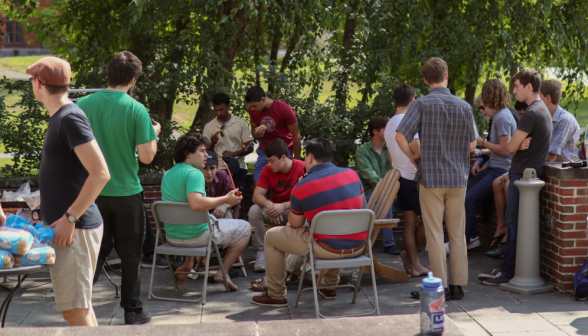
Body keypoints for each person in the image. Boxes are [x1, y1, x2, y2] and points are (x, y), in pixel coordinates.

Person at [78, 51, 160, 325]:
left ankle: (78, 305)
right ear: (133, 79)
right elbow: (147, 157)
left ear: (110, 74)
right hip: (126, 193)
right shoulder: (136, 109)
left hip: (91, 193)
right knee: (130, 255)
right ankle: (132, 311)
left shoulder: (83, 104)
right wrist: (154, 134)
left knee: (93, 254)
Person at [26, 56, 110, 326]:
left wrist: (70, 218)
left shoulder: (69, 118)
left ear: (39, 83)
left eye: (31, 80)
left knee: (74, 310)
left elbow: (101, 173)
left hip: (76, 229)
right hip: (70, 228)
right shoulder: (63, 116)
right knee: (80, 308)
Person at [396, 57, 478, 300]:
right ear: (447, 75)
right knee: (457, 234)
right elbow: (472, 144)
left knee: (434, 233)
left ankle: (438, 287)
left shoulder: (421, 104)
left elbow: (401, 136)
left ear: (425, 79)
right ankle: (458, 285)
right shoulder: (464, 106)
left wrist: (413, 156)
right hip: (458, 178)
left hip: (431, 178)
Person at [251, 138, 365, 306]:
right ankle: (328, 285)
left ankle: (276, 294)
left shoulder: (302, 185)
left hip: (326, 248)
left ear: (310, 157)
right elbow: (363, 209)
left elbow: (295, 225)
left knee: (271, 238)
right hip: (359, 246)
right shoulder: (353, 175)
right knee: (336, 229)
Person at [480, 69, 552, 286]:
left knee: (513, 224)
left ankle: (507, 272)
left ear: (529, 86)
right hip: (528, 174)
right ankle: (509, 270)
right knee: (516, 225)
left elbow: (509, 147)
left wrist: (516, 144)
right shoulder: (544, 110)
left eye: (517, 85)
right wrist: (518, 144)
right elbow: (514, 145)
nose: (514, 90)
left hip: (522, 175)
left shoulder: (531, 113)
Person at [161, 133, 250, 290]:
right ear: (188, 154)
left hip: (173, 237)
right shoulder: (194, 173)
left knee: (199, 221)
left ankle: (188, 263)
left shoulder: (168, 174)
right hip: (196, 237)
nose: (206, 154)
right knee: (245, 228)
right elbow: (196, 204)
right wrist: (225, 200)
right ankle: (223, 272)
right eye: (202, 150)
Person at [447, 80, 517, 254]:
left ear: (489, 96)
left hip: (501, 170)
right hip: (493, 167)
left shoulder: (501, 118)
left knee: (469, 198)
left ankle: (469, 239)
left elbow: (505, 150)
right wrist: (480, 158)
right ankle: (463, 237)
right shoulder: (500, 116)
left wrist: (481, 142)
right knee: (462, 191)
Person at [384, 83, 429, 277]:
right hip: (414, 179)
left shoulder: (389, 124)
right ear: (413, 101)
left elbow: (391, 158)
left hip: (400, 178)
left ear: (395, 101)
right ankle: (412, 260)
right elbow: (417, 150)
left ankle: (412, 262)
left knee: (410, 222)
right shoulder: (409, 121)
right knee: (431, 221)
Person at [248, 139, 305, 272]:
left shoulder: (301, 168)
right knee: (254, 210)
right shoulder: (268, 170)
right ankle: (261, 253)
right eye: (267, 160)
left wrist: (283, 206)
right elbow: (256, 196)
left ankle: (298, 258)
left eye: (272, 160)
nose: (269, 164)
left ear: (284, 157)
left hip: (295, 211)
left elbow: (306, 199)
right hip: (276, 211)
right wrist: (271, 205)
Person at [486, 100, 529, 258]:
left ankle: (508, 238)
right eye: (519, 114)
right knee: (497, 183)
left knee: (506, 186)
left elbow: (508, 149)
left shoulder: (504, 118)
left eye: (522, 114)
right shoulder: (520, 123)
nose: (519, 117)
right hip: (515, 167)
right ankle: (501, 226)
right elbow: (515, 150)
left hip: (525, 171)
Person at [355, 115, 399, 255]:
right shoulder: (362, 150)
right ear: (375, 132)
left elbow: (398, 169)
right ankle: (389, 244)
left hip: (393, 190)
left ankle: (413, 245)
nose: (390, 132)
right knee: (386, 199)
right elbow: (369, 176)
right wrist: (388, 190)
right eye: (385, 129)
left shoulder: (392, 148)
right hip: (370, 192)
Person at [246, 86, 302, 185]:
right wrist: (257, 134)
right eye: (251, 106)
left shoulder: (284, 109)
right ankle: (260, 200)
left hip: (284, 151)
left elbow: (296, 135)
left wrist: (297, 159)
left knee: (283, 184)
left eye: (254, 106)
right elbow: (253, 132)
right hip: (265, 151)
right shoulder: (253, 110)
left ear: (263, 99)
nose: (252, 109)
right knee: (258, 183)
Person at [203, 93, 254, 191]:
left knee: (237, 195)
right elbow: (206, 152)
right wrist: (213, 143)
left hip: (238, 166)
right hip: (218, 168)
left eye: (221, 109)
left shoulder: (240, 123)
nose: (218, 113)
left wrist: (235, 153)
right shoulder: (209, 126)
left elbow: (250, 146)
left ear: (228, 106)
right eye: (216, 110)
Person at [539, 80, 581, 162]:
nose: (536, 101)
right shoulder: (546, 118)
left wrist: (525, 165)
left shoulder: (565, 120)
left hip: (567, 170)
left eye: (539, 97)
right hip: (553, 168)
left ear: (548, 98)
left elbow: (551, 156)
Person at [201, 151, 238, 219]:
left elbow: (237, 197)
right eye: (205, 168)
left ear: (217, 167)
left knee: (226, 210)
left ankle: (230, 229)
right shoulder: (194, 177)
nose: (209, 173)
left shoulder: (222, 174)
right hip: (200, 211)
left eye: (212, 168)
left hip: (217, 209)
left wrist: (225, 206)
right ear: (199, 168)